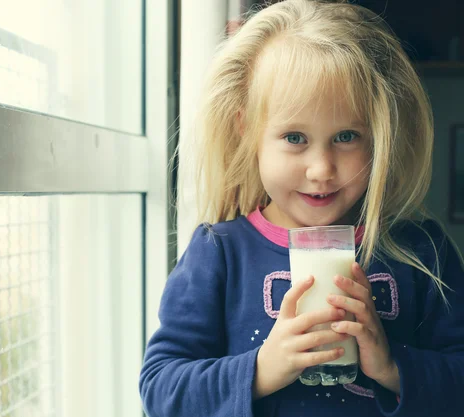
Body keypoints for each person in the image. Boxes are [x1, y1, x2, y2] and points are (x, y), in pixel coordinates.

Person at [138, 0, 464, 416]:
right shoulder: (219, 253)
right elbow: (161, 391)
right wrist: (261, 370)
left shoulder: (423, 251)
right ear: (247, 131)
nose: (321, 169)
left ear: (380, 134)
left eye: (346, 136)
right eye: (294, 137)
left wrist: (391, 365)